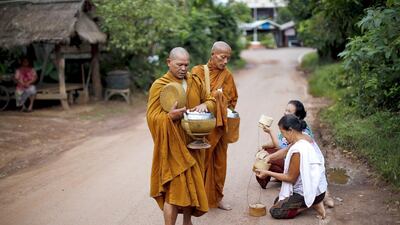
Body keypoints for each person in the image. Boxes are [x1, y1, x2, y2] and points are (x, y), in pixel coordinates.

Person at [147, 47, 216, 225]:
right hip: (172, 147)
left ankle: (187, 221)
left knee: (192, 185)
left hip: (195, 143)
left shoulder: (195, 80)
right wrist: (170, 117)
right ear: (168, 62)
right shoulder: (160, 85)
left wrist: (205, 105)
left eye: (186, 64)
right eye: (179, 64)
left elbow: (211, 100)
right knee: (173, 190)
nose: (183, 68)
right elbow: (152, 117)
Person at [257, 100, 334, 208]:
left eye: (289, 111)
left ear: (291, 130)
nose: (285, 112)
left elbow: (290, 177)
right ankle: (315, 200)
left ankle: (314, 202)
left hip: (312, 186)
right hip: (314, 182)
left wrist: (267, 172)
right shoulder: (298, 135)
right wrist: (269, 156)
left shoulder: (299, 148)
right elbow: (285, 149)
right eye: (286, 110)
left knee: (276, 210)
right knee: (277, 201)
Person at [191, 41, 238, 211]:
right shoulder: (197, 72)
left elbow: (232, 100)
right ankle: (197, 198)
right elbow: (190, 96)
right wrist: (209, 101)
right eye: (222, 57)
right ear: (213, 55)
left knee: (219, 164)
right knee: (200, 162)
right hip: (200, 127)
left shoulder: (227, 76)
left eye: (228, 58)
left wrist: (217, 102)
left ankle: (217, 197)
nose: (225, 61)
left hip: (219, 127)